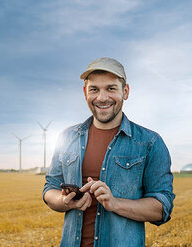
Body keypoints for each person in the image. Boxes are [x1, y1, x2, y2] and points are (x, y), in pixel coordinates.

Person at [43, 57, 175, 247]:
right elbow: (50, 190)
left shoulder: (150, 142)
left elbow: (162, 208)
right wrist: (65, 201)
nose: (102, 98)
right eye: (94, 89)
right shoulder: (66, 137)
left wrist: (115, 203)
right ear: (85, 92)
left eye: (111, 88)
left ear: (125, 92)